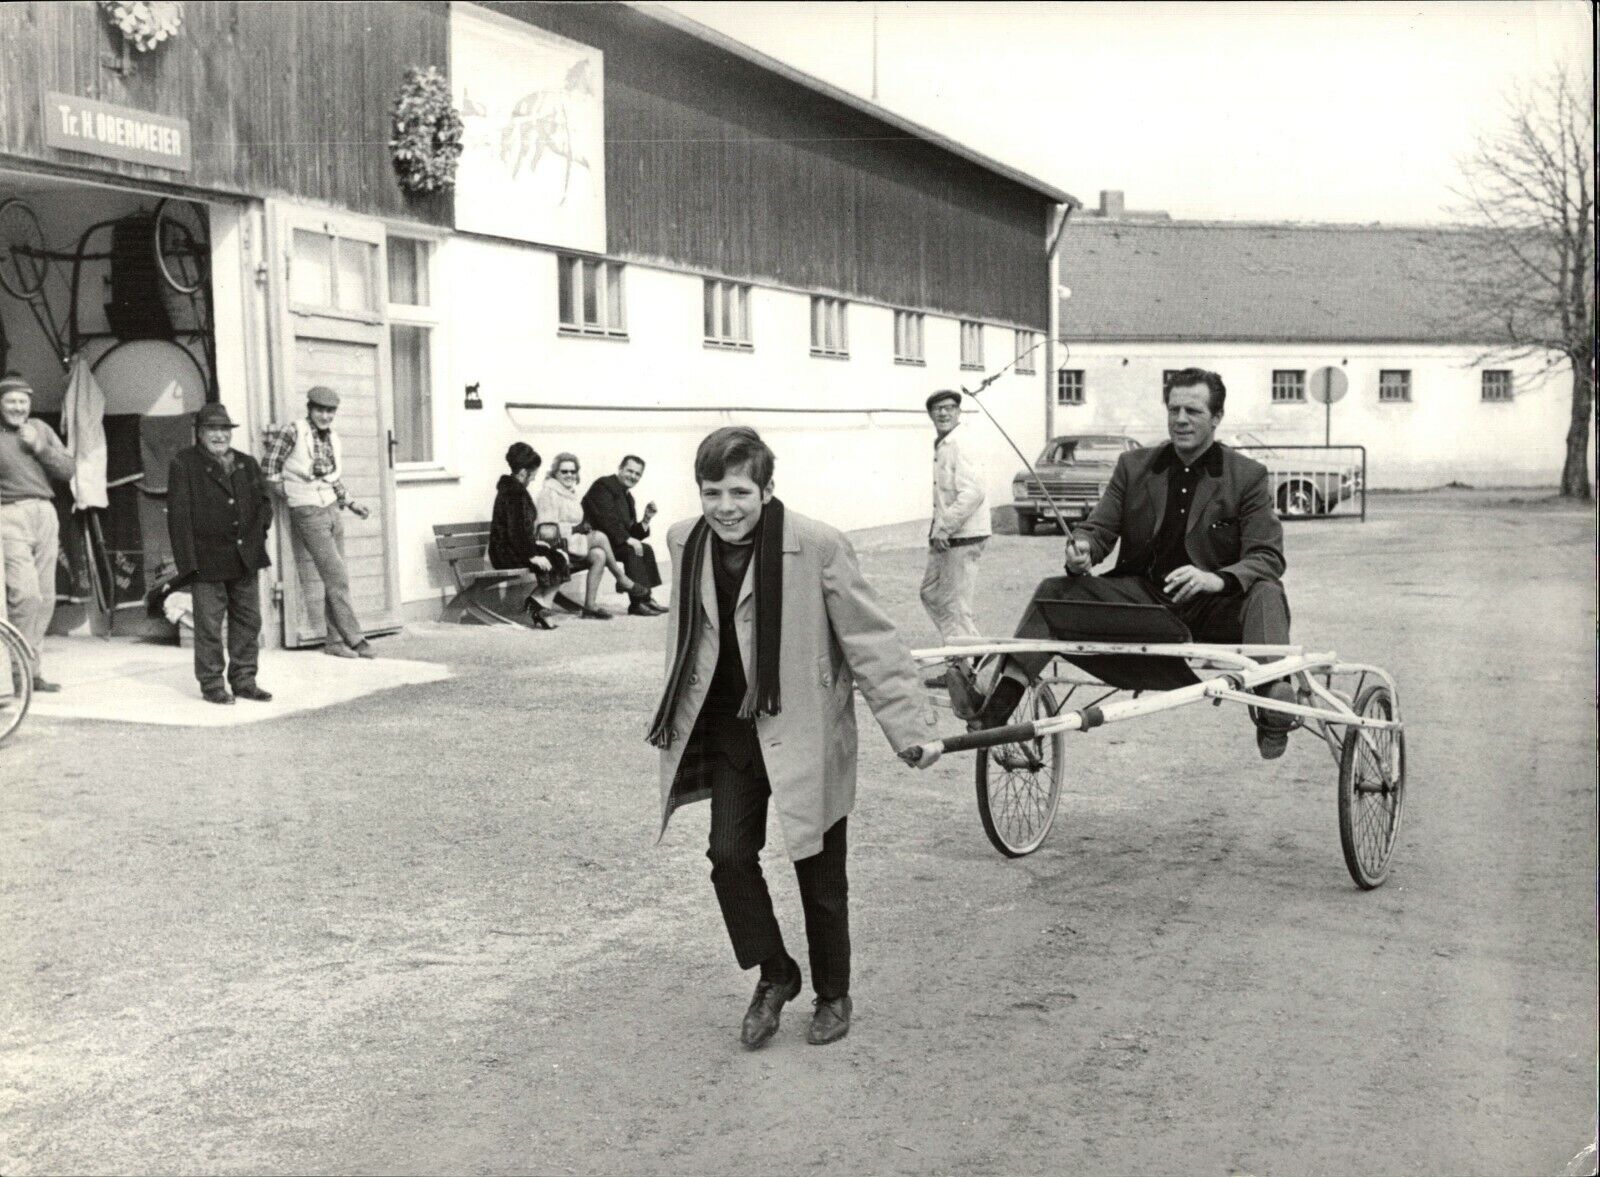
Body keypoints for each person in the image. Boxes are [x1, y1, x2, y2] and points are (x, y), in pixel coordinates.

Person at [648, 426, 942, 1051]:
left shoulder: (817, 546)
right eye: (711, 493)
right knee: (727, 856)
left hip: (805, 728)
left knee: (819, 870)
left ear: (767, 488)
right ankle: (775, 972)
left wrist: (909, 729)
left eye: (739, 491)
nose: (725, 507)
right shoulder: (684, 541)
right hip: (729, 728)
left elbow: (870, 640)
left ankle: (834, 994)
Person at [955, 368, 1297, 758]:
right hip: (1144, 602)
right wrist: (1082, 548)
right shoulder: (1134, 466)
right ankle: (996, 711)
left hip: (1216, 611)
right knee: (1055, 592)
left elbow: (1267, 556)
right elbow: (1099, 530)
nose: (1180, 419)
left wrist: (1217, 579)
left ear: (1216, 418)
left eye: (1193, 411)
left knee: (1267, 591)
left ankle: (1273, 699)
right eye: (1174, 409)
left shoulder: (1247, 476)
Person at [166, 403, 274, 705]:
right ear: (200, 433)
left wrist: (257, 534)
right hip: (206, 560)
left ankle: (244, 680)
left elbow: (265, 503)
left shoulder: (247, 463)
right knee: (209, 627)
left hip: (245, 558)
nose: (219, 435)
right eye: (212, 429)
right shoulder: (184, 463)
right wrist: (188, 564)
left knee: (248, 622)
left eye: (224, 429)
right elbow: (178, 517)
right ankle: (212, 685)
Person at [261, 385, 376, 659]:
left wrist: (352, 503)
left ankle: (335, 642)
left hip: (331, 509)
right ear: (310, 409)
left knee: (335, 577)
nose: (325, 416)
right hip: (308, 511)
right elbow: (268, 469)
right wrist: (290, 495)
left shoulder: (333, 438)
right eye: (320, 410)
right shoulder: (293, 431)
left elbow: (332, 479)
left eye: (330, 411)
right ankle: (356, 638)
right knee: (337, 577)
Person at [0, 372, 74, 692]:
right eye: (11, 401)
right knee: (24, 595)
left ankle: (31, 671)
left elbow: (69, 469)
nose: (17, 407)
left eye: (23, 402)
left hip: (45, 512)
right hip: (9, 515)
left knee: (44, 598)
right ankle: (14, 672)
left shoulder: (41, 429)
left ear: (30, 404)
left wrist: (41, 447)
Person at [921, 389, 990, 644]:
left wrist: (945, 528)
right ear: (930, 414)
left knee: (954, 604)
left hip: (963, 534)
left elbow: (974, 492)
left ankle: (965, 663)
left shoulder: (961, 443)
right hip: (947, 535)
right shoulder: (944, 443)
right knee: (931, 593)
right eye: (937, 409)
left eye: (949, 407)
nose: (943, 413)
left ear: (958, 412)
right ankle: (967, 651)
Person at [536, 451, 640, 620]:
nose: (569, 475)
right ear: (555, 473)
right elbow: (546, 530)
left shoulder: (569, 493)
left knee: (599, 555)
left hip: (568, 544)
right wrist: (575, 531)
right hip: (552, 547)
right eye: (564, 471)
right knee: (599, 537)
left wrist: (581, 528)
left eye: (573, 471)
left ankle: (590, 606)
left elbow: (571, 521)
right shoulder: (550, 493)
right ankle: (621, 577)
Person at [490, 442, 571, 630]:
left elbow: (521, 531)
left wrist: (537, 548)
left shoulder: (515, 489)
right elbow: (515, 530)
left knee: (560, 556)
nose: (534, 477)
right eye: (533, 473)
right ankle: (540, 608)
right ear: (523, 472)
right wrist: (532, 555)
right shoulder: (513, 492)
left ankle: (538, 603)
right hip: (507, 553)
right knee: (557, 559)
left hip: (514, 548)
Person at [582, 454, 667, 616]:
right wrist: (628, 540)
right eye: (630, 471)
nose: (633, 476)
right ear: (620, 469)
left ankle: (646, 598)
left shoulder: (629, 498)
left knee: (645, 549)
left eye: (637, 474)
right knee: (632, 549)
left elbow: (630, 533)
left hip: (611, 542)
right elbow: (606, 519)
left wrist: (646, 519)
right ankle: (637, 603)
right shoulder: (603, 485)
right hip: (591, 542)